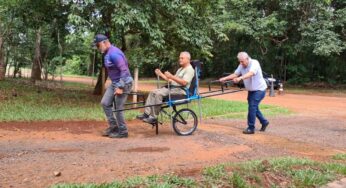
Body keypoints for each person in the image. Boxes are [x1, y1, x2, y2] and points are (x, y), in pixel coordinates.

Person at [136, 52, 195, 124]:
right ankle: (146, 114)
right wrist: (161, 74)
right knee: (152, 92)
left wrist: (171, 76)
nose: (180, 59)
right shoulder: (180, 69)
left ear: (188, 59)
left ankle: (153, 117)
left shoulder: (189, 69)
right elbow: (171, 81)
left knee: (158, 94)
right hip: (173, 88)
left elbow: (184, 82)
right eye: (179, 58)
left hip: (181, 90)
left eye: (182, 58)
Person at [219, 52, 269, 134]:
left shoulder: (255, 63)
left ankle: (251, 128)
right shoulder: (241, 65)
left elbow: (251, 73)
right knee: (253, 107)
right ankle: (264, 122)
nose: (240, 63)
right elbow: (235, 74)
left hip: (260, 89)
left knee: (252, 107)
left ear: (247, 59)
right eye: (239, 61)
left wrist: (240, 78)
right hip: (251, 90)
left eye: (242, 61)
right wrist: (225, 78)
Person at [94, 34, 133, 138]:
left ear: (105, 42)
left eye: (98, 45)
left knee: (118, 108)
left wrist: (120, 87)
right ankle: (114, 127)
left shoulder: (114, 53)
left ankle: (123, 132)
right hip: (115, 82)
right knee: (105, 103)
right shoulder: (107, 53)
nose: (98, 48)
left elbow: (124, 70)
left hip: (124, 82)